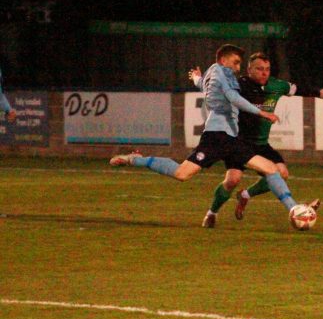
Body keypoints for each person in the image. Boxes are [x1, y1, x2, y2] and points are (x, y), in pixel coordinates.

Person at [110, 44, 312, 228]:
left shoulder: (216, 75)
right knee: (182, 174)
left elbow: (204, 85)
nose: (238, 67)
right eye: (235, 62)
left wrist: (197, 78)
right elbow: (233, 97)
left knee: (270, 168)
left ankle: (294, 209)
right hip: (215, 137)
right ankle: (137, 159)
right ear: (223, 61)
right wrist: (261, 112)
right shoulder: (220, 72)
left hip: (231, 139)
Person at [190, 52, 323, 221]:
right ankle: (212, 213)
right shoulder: (239, 85)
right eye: (259, 69)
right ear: (249, 70)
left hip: (261, 144)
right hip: (238, 143)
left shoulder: (277, 86)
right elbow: (212, 86)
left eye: (267, 69)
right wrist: (198, 79)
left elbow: (297, 89)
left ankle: (246, 195)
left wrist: (318, 93)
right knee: (233, 180)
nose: (264, 73)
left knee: (282, 173)